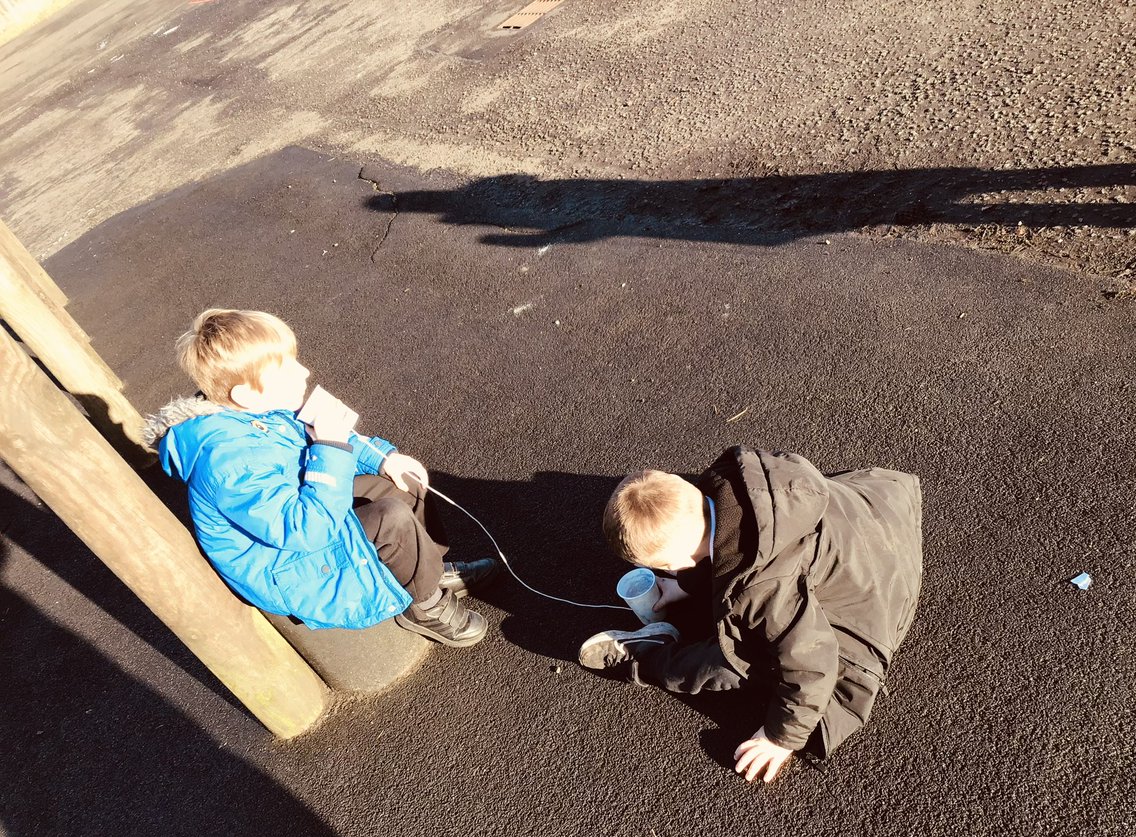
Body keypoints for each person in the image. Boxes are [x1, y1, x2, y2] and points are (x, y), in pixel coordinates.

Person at [143, 308, 496, 647]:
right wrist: (330, 446)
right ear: (246, 394)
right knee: (390, 518)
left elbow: (335, 440)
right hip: (288, 563)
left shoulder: (262, 412)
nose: (305, 372)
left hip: (305, 512)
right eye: (287, 369)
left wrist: (382, 458)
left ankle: (425, 572)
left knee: (402, 482)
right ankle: (424, 607)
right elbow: (306, 531)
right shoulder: (228, 464)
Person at [580, 446, 923, 781]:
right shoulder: (737, 480)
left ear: (674, 563)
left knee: (732, 659)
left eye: (667, 570)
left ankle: (646, 658)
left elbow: (812, 663)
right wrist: (688, 582)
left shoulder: (764, 588)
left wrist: (780, 738)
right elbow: (713, 539)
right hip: (875, 525)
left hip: (863, 621)